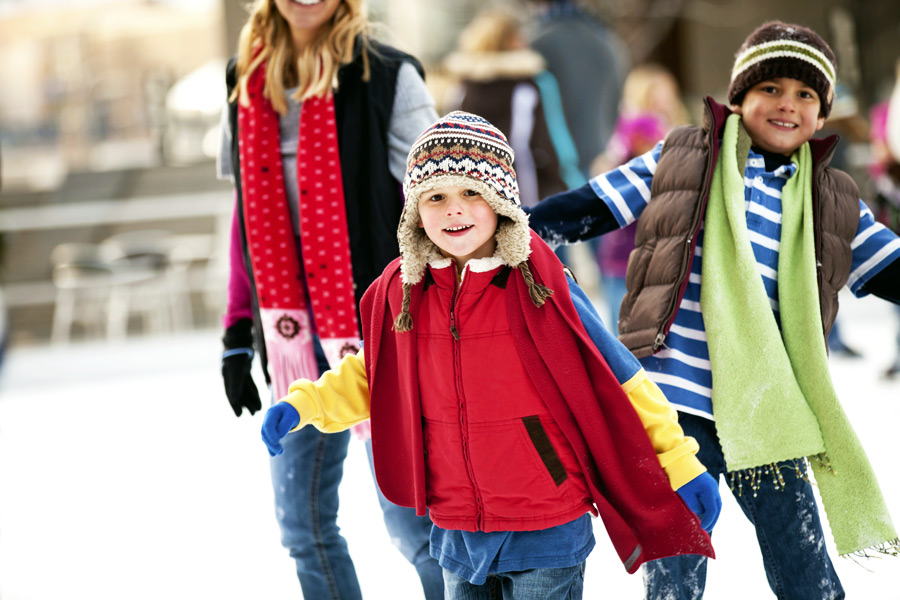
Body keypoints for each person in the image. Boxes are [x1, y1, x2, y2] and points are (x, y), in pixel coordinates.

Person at [259, 111, 720, 599]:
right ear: (415, 210)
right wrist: (304, 404)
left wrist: (680, 462)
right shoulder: (405, 292)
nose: (453, 210)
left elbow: (621, 380)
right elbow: (375, 374)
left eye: (471, 193)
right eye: (436, 197)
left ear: (500, 202)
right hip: (458, 529)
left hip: (546, 523)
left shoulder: (539, 287)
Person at [526, 21, 900, 600]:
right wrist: (513, 230)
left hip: (766, 405)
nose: (787, 105)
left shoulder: (833, 201)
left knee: (802, 560)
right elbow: (597, 204)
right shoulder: (685, 157)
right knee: (676, 559)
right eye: (770, 88)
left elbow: (888, 265)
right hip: (674, 399)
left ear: (822, 116)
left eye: (805, 95)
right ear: (739, 97)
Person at [215, 1, 442, 598]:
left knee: (415, 528)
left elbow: (441, 206)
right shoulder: (245, 80)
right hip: (288, 335)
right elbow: (248, 215)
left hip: (382, 329)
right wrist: (238, 333)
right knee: (303, 526)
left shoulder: (388, 76)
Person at [442, 9, 582, 207]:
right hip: (527, 195)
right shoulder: (532, 86)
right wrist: (570, 184)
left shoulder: (460, 90)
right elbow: (555, 139)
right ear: (511, 41)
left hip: (476, 200)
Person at [591, 64, 688, 332]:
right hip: (632, 248)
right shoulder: (641, 126)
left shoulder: (665, 129)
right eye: (656, 93)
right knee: (627, 331)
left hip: (641, 248)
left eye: (667, 92)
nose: (664, 100)